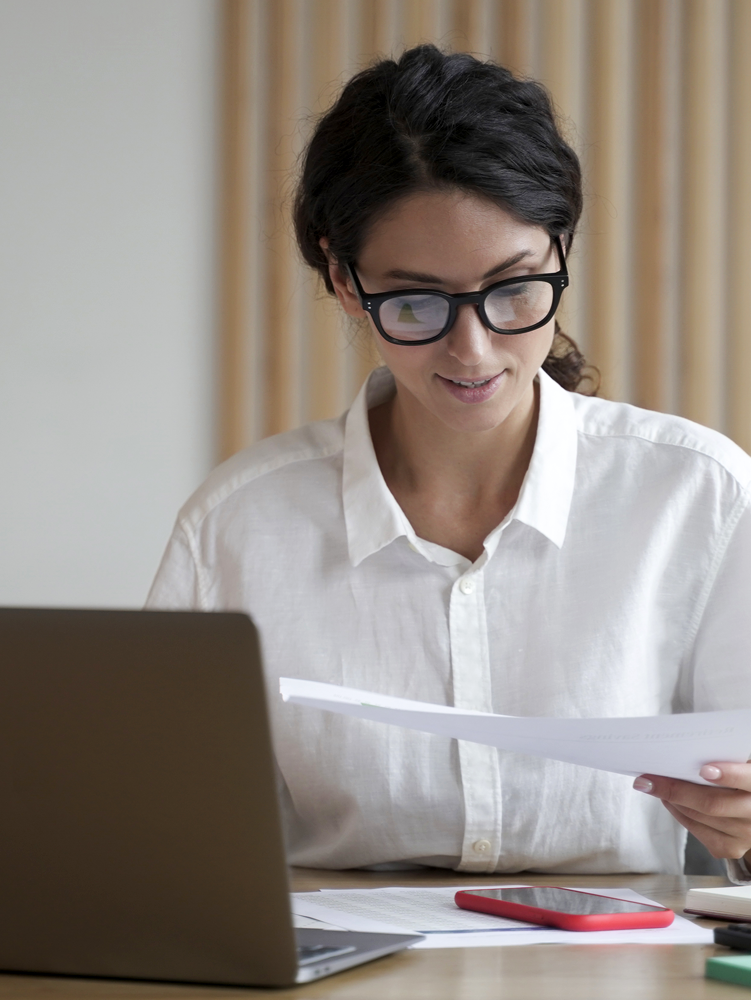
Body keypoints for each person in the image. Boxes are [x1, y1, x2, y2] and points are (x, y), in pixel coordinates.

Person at [147, 44, 751, 876]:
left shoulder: (700, 496)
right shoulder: (240, 527)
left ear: (560, 248)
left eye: (513, 289)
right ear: (344, 279)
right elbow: (166, 835)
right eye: (418, 301)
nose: (473, 350)